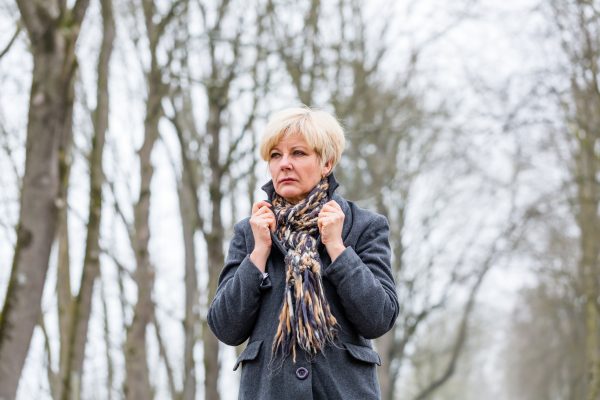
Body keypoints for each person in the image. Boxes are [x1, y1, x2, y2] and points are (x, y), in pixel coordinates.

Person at [207, 106, 399, 399]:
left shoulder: (364, 226)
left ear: (327, 163)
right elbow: (225, 327)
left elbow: (378, 318)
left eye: (298, 153)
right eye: (275, 155)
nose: (284, 164)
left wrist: (337, 248)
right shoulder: (250, 232)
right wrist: (258, 253)